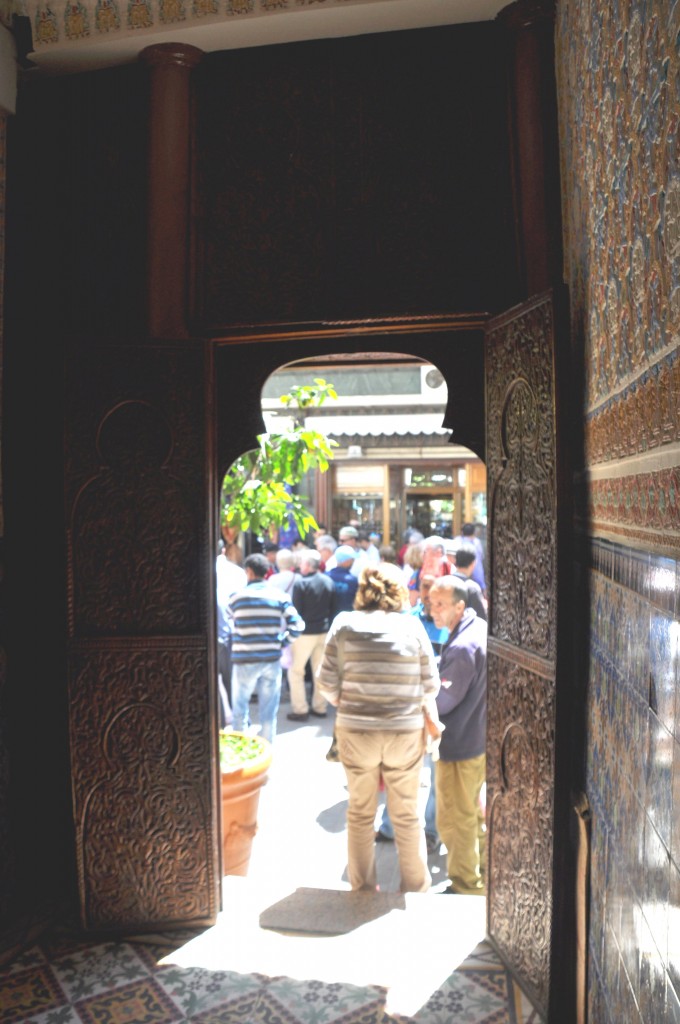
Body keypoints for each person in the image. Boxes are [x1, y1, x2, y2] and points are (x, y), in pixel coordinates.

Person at [317, 562, 441, 893]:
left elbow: (325, 683)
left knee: (359, 813)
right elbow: (431, 686)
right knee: (406, 815)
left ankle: (363, 888)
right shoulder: (412, 627)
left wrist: (347, 700)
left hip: (357, 731)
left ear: (363, 589)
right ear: (398, 591)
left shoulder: (343, 625)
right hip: (404, 732)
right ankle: (415, 887)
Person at [375, 573, 447, 852]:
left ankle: (431, 831)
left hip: (437, 708)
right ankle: (390, 827)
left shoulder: (448, 625)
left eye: (435, 592)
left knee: (437, 777)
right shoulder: (411, 620)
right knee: (399, 775)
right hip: (408, 710)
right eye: (425, 588)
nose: (429, 596)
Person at [429, 576, 487, 896]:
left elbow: (444, 701)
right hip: (473, 740)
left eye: (441, 605)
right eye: (431, 603)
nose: (434, 611)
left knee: (455, 819)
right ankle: (482, 873)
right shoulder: (475, 629)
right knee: (471, 815)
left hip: (460, 744)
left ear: (460, 606)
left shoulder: (464, 646)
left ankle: (466, 885)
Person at [228, 553, 305, 743]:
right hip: (270, 659)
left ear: (249, 572)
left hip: (243, 659)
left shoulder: (236, 598)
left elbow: (230, 623)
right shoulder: (279, 596)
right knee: (268, 712)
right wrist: (282, 642)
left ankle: (241, 747)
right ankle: (267, 749)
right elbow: (298, 626)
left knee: (240, 709)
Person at [287, 549, 336, 721]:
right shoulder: (328, 581)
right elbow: (333, 608)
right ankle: (319, 707)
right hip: (323, 631)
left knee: (296, 672)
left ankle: (300, 709)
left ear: (307, 565)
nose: (300, 566)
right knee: (319, 671)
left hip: (305, 634)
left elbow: (296, 610)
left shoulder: (301, 584)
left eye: (302, 563)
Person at [215, 542, 247, 728]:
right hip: (233, 631)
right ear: (223, 550)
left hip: (216, 631)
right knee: (232, 680)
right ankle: (240, 721)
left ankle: (219, 722)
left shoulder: (202, 571)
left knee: (213, 680)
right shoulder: (237, 572)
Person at [445, 540, 488, 621]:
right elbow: (481, 617)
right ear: (473, 563)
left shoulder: (444, 582)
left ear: (455, 560)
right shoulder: (472, 587)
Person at [451, 523, 487, 596]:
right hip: (469, 579)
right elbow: (478, 569)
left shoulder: (455, 541)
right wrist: (483, 586)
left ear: (462, 532)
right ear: (474, 533)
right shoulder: (476, 543)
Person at [326, 544, 359, 616]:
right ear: (347, 561)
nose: (353, 562)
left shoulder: (325, 576)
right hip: (347, 622)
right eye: (352, 559)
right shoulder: (353, 581)